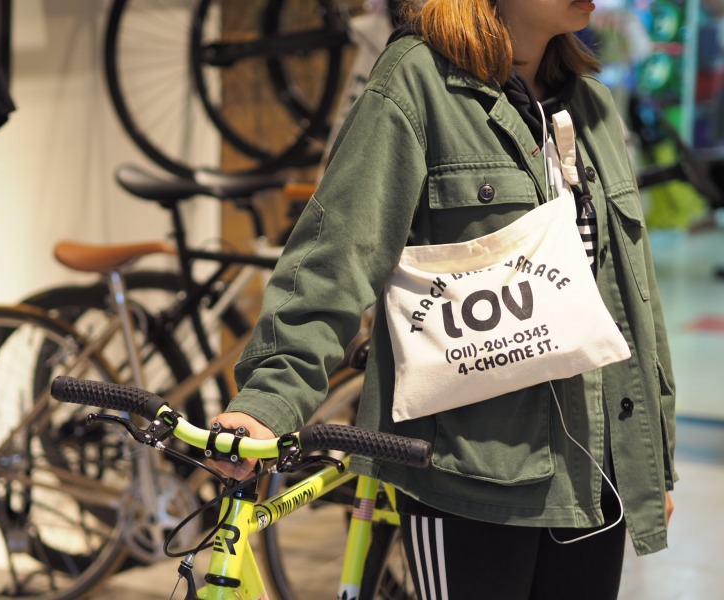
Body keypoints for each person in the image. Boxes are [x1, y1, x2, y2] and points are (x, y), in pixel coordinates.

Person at [211, 1, 677, 598]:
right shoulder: (417, 82)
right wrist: (271, 399)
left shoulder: (591, 105)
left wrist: (650, 460)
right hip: (471, 475)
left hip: (598, 475)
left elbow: (634, 297)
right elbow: (336, 256)